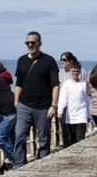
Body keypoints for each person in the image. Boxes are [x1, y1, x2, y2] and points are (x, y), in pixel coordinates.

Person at [13, 31, 60, 167]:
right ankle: (18, 166)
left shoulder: (49, 61)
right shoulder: (21, 60)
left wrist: (54, 105)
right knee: (19, 137)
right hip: (24, 106)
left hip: (44, 107)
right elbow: (18, 83)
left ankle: (42, 165)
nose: (30, 45)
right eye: (27, 43)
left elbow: (55, 85)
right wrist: (16, 102)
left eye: (33, 42)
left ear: (39, 43)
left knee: (44, 139)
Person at [57, 61, 91, 146]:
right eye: (73, 71)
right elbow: (62, 99)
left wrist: (89, 115)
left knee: (80, 139)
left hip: (81, 115)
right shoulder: (66, 84)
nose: (75, 73)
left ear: (80, 72)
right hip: (70, 115)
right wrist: (60, 111)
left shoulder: (84, 84)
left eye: (77, 71)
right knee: (71, 140)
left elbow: (87, 100)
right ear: (70, 71)